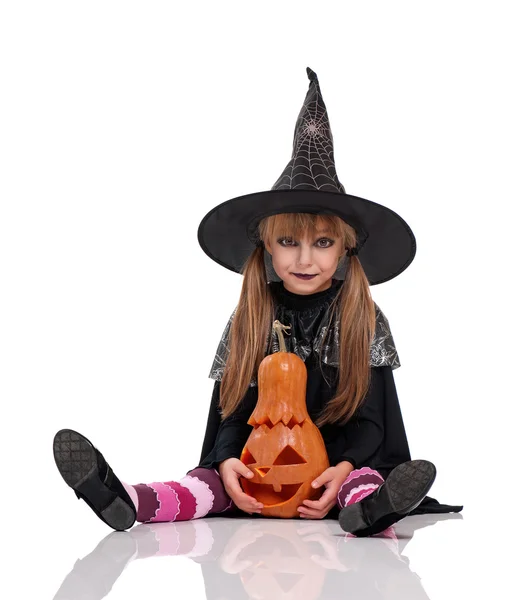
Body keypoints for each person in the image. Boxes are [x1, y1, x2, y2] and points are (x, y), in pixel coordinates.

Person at [53, 66, 462, 537]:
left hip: (340, 468)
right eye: (289, 241)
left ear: (346, 248)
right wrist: (227, 459)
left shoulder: (361, 317)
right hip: (259, 468)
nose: (305, 259)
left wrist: (344, 464)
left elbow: (373, 420)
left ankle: (368, 511)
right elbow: (232, 408)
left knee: (365, 478)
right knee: (205, 484)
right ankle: (126, 498)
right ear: (267, 246)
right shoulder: (252, 316)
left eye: (323, 243)